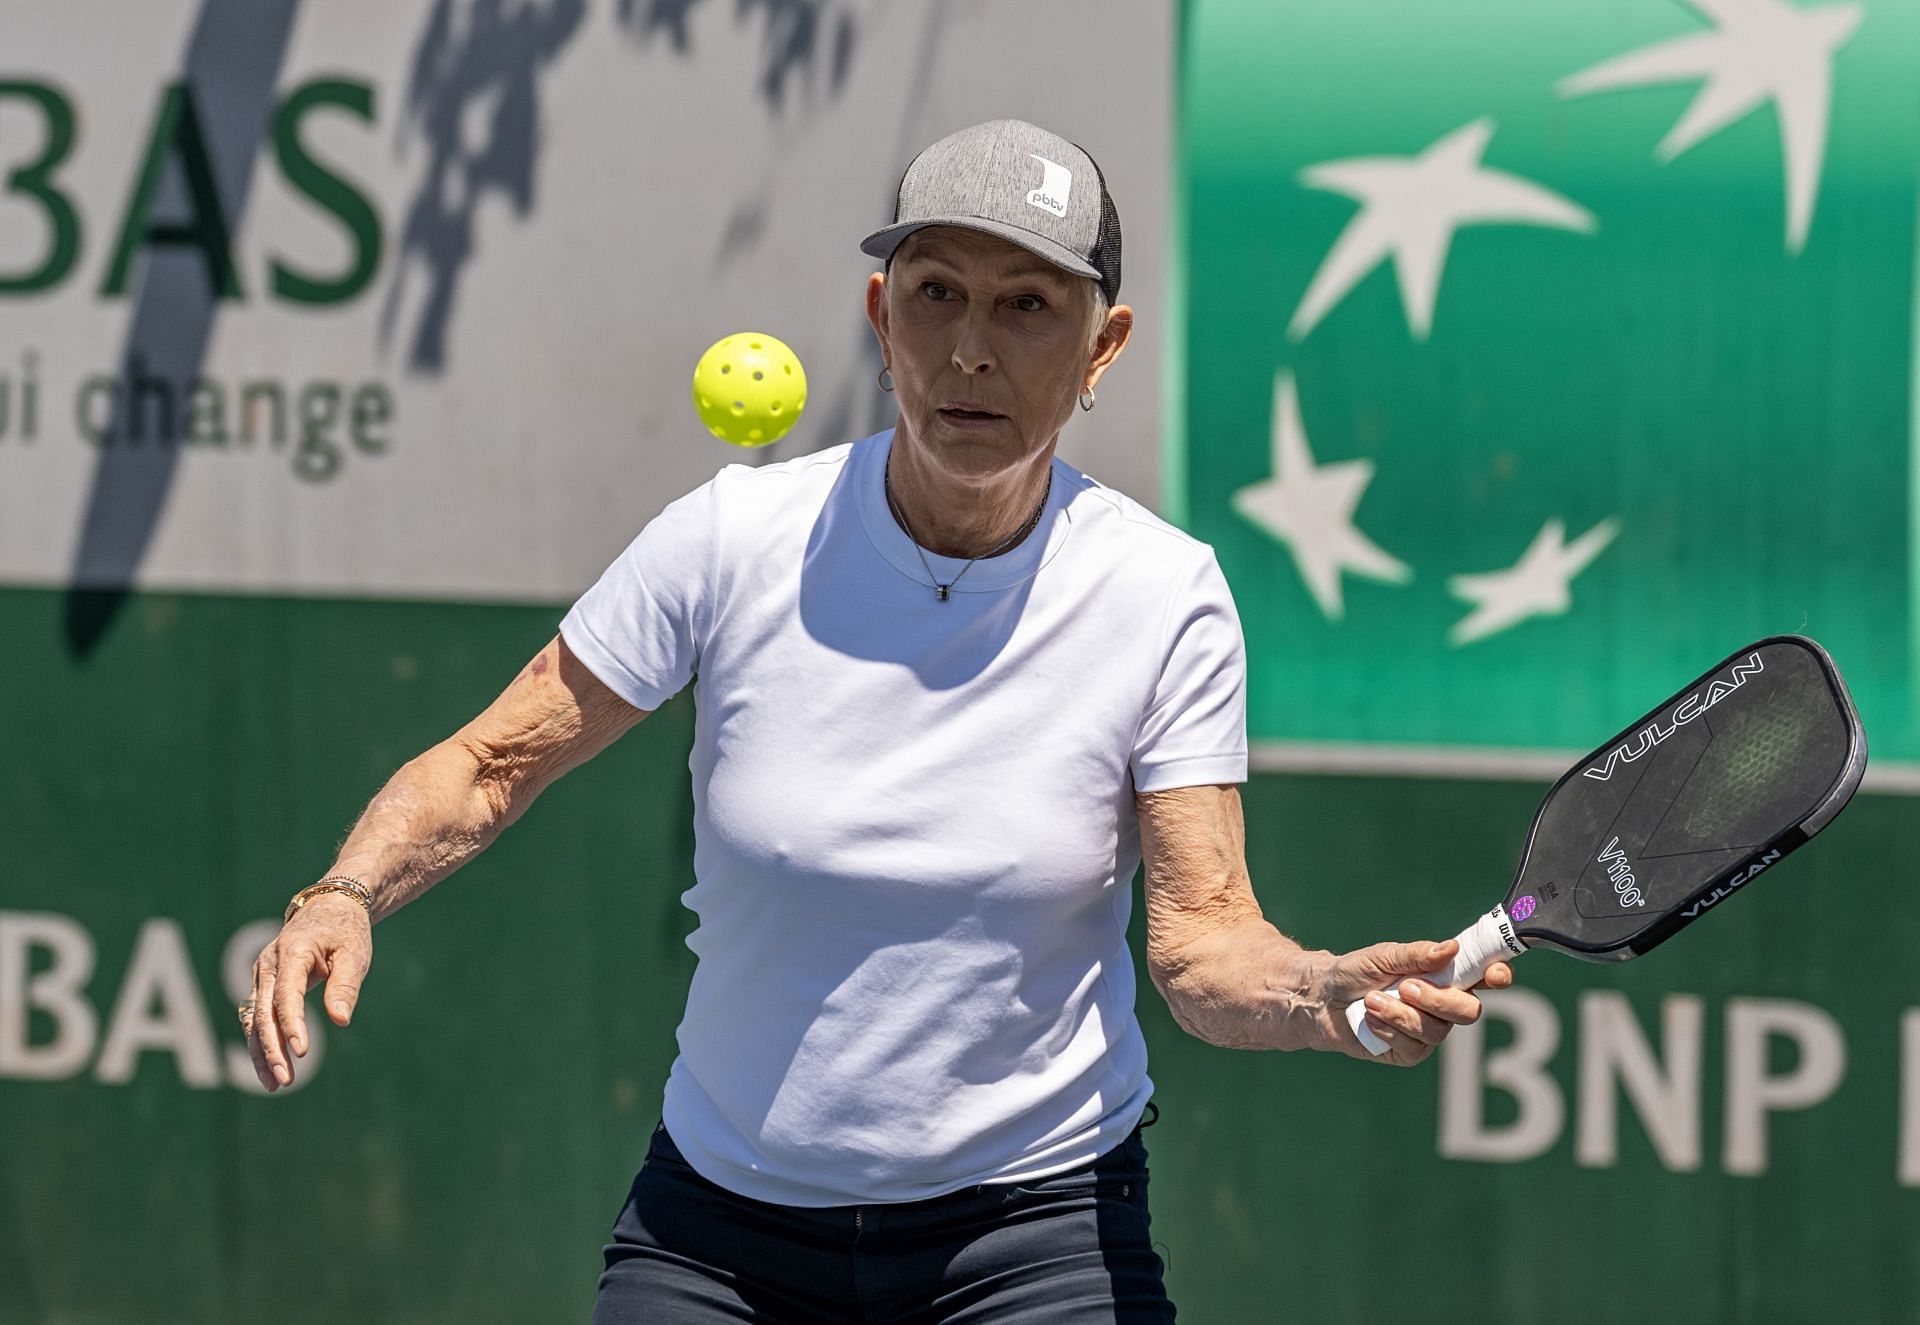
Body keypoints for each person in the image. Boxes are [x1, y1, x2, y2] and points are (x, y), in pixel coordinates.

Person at [241, 119, 1512, 1323]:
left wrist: (1319, 988)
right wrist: (343, 888)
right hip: (720, 1235)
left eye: (1026, 307)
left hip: (1033, 1235)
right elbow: (488, 761)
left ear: (1102, 345)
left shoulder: (1162, 593)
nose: (971, 349)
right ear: (880, 317)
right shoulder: (734, 537)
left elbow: (1201, 944)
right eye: (936, 294)